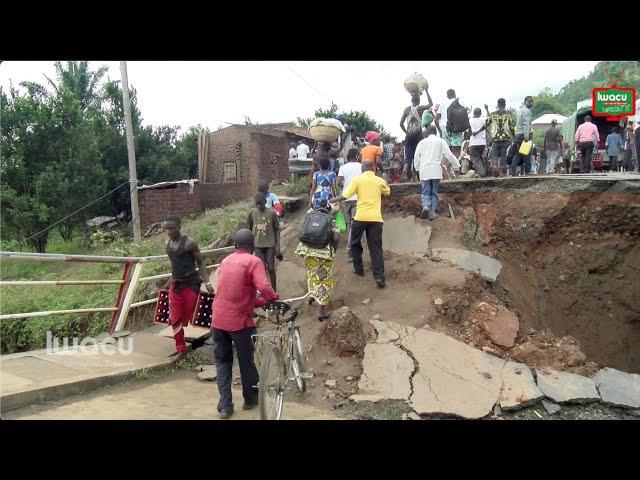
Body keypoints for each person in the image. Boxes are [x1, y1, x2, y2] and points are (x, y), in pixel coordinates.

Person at [211, 229, 279, 419]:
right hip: (239, 322)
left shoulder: (226, 261)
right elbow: (264, 287)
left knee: (223, 363)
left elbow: (234, 291)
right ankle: (250, 399)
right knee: (246, 361)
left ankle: (225, 406)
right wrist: (272, 298)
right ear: (253, 245)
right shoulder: (253, 261)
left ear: (235, 246)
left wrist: (259, 301)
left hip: (218, 320)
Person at [330, 161, 390, 289]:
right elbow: (387, 192)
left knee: (354, 243)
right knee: (376, 247)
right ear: (373, 169)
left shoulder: (358, 180)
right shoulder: (379, 180)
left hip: (361, 217)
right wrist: (385, 180)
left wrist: (332, 200)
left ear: (363, 169)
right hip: (376, 218)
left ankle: (359, 270)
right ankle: (379, 276)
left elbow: (345, 195)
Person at [164, 216, 212, 360]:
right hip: (176, 285)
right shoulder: (167, 244)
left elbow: (201, 263)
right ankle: (181, 348)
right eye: (167, 228)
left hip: (190, 284)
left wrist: (207, 283)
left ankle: (220, 337)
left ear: (179, 226)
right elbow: (176, 266)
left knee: (195, 314)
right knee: (175, 317)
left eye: (172, 228)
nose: (169, 231)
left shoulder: (189, 243)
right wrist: (168, 283)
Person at [295, 200, 340, 321]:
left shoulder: (310, 216)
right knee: (324, 281)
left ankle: (312, 296)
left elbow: (302, 231)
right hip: (322, 255)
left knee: (312, 274)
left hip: (306, 253)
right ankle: (321, 311)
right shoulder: (331, 220)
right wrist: (333, 250)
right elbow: (336, 237)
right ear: (329, 209)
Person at [414, 125, 461, 219]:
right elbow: (449, 154)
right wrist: (457, 165)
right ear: (435, 132)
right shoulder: (440, 141)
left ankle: (426, 206)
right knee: (434, 192)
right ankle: (432, 213)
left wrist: (417, 168)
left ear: (427, 133)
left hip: (424, 169)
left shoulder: (422, 142)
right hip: (436, 169)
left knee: (425, 191)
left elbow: (416, 156)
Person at [246, 192, 280, 290]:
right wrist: (249, 245)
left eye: (260, 203)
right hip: (257, 245)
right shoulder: (252, 212)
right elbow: (249, 227)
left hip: (270, 244)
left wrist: (278, 246)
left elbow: (277, 229)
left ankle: (274, 291)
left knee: (271, 268)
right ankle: (265, 290)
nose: (259, 205)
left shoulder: (272, 213)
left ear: (265, 201)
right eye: (257, 203)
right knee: (261, 269)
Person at [400, 86, 434, 180]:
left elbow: (401, 123)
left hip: (409, 136)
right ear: (418, 100)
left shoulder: (407, 109)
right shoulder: (421, 108)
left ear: (411, 100)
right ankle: (417, 176)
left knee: (408, 156)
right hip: (418, 135)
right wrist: (427, 91)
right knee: (418, 155)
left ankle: (406, 168)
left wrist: (406, 132)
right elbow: (431, 104)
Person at [337, 148, 362, 263]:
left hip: (345, 198)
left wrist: (344, 187)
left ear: (348, 157)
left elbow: (338, 182)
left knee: (349, 225)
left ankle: (352, 248)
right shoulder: (361, 166)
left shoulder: (343, 167)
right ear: (357, 156)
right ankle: (350, 250)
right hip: (357, 198)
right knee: (354, 225)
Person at [510, 95, 534, 176]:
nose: (531, 103)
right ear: (525, 102)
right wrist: (526, 136)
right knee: (527, 153)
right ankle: (528, 171)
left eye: (532, 101)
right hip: (524, 134)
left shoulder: (520, 110)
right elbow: (526, 124)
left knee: (519, 153)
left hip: (518, 134)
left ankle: (513, 169)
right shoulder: (527, 111)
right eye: (529, 101)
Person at [469, 107, 487, 177]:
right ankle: (483, 172)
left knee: (475, 158)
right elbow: (490, 119)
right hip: (482, 142)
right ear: (480, 113)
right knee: (480, 158)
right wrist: (487, 109)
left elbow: (470, 132)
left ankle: (482, 173)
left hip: (474, 143)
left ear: (474, 113)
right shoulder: (484, 120)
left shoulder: (471, 120)